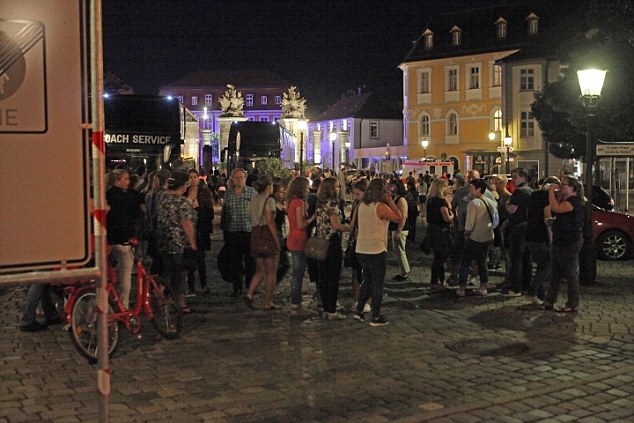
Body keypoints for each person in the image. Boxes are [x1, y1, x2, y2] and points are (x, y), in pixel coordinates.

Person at [354, 178, 402, 326]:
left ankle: (359, 310)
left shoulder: (363, 205)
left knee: (367, 280)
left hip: (361, 248)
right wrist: (391, 202)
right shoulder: (380, 207)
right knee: (377, 284)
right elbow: (398, 218)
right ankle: (376, 316)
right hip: (376, 249)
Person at [156, 171, 198, 313]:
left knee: (169, 268)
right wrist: (192, 242)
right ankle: (174, 297)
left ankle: (167, 297)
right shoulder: (182, 202)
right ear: (182, 185)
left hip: (163, 240)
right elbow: (187, 223)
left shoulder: (163, 198)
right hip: (178, 242)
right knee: (179, 273)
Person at [543, 175, 585, 313]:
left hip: (569, 241)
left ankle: (573, 304)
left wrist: (551, 192)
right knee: (555, 272)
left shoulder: (574, 201)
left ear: (573, 188)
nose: (561, 186)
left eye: (564, 185)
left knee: (570, 273)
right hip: (559, 240)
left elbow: (556, 208)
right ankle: (549, 300)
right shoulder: (566, 199)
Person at [106, 169, 143, 309]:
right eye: (125, 179)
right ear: (117, 181)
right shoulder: (127, 197)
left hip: (110, 239)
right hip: (125, 239)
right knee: (126, 275)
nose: (128, 182)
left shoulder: (107, 195)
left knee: (110, 275)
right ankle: (123, 305)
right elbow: (136, 211)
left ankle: (109, 303)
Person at [314, 177, 350, 320]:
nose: (339, 189)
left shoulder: (320, 203)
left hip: (321, 242)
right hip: (332, 242)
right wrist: (348, 228)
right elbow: (336, 225)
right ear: (330, 189)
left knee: (323, 277)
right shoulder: (332, 204)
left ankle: (325, 308)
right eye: (336, 187)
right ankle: (332, 310)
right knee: (333, 277)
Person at [244, 176, 281, 310]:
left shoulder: (253, 200)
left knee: (260, 270)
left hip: (255, 234)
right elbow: (270, 220)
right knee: (271, 272)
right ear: (268, 187)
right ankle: (268, 302)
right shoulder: (269, 200)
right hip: (266, 235)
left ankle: (249, 293)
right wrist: (276, 239)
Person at [220, 168, 257, 296]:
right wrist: (224, 229)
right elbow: (225, 212)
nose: (239, 180)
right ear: (232, 179)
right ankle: (237, 287)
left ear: (245, 179)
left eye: (241, 177)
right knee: (235, 262)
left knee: (250, 262)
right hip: (233, 233)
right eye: (236, 177)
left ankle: (250, 287)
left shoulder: (252, 193)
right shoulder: (228, 194)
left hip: (248, 232)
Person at [457, 179, 496, 297]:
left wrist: (466, 233)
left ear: (479, 189)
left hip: (475, 237)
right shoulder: (491, 202)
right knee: (482, 262)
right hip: (488, 235)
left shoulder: (474, 203)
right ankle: (483, 286)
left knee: (465, 262)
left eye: (472, 187)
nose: (469, 189)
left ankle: (462, 287)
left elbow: (469, 222)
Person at [525, 176, 560, 305]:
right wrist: (551, 237)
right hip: (541, 235)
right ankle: (533, 291)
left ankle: (540, 296)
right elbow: (547, 218)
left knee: (541, 265)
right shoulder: (547, 198)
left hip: (530, 233)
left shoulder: (534, 195)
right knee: (547, 264)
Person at [286, 176, 316, 315]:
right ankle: (295, 306)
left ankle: (295, 304)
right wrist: (312, 218)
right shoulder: (298, 203)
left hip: (293, 238)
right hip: (299, 239)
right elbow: (300, 224)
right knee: (298, 274)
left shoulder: (292, 202)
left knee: (296, 274)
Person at [504, 168, 533, 297]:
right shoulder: (530, 191)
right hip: (528, 227)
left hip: (518, 228)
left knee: (516, 259)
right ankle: (526, 286)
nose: (513, 180)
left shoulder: (519, 192)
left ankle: (515, 287)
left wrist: (506, 204)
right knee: (527, 258)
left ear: (523, 178)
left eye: (515, 177)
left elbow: (512, 209)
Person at [425, 178, 454, 289]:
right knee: (441, 257)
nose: (448, 188)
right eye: (446, 186)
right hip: (441, 232)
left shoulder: (431, 200)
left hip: (432, 230)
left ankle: (439, 280)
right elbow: (447, 218)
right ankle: (436, 281)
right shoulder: (440, 202)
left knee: (438, 256)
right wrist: (453, 215)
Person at [187, 177, 214, 295]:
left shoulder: (204, 193)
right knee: (188, 261)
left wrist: (198, 210)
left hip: (200, 232)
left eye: (194, 177)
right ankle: (190, 286)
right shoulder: (184, 193)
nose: (192, 180)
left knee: (200, 260)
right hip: (187, 233)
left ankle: (203, 284)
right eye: (190, 177)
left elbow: (210, 214)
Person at [347, 178, 370, 312]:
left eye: (358, 194)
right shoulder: (356, 204)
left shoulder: (370, 206)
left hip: (367, 241)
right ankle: (357, 301)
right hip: (356, 241)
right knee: (356, 273)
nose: (355, 197)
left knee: (367, 274)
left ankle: (365, 301)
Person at [388, 179, 410, 281]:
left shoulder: (401, 200)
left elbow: (404, 216)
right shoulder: (394, 198)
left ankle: (404, 272)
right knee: (398, 251)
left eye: (392, 186)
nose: (390, 188)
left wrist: (398, 231)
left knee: (400, 251)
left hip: (400, 229)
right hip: (394, 228)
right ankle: (403, 271)